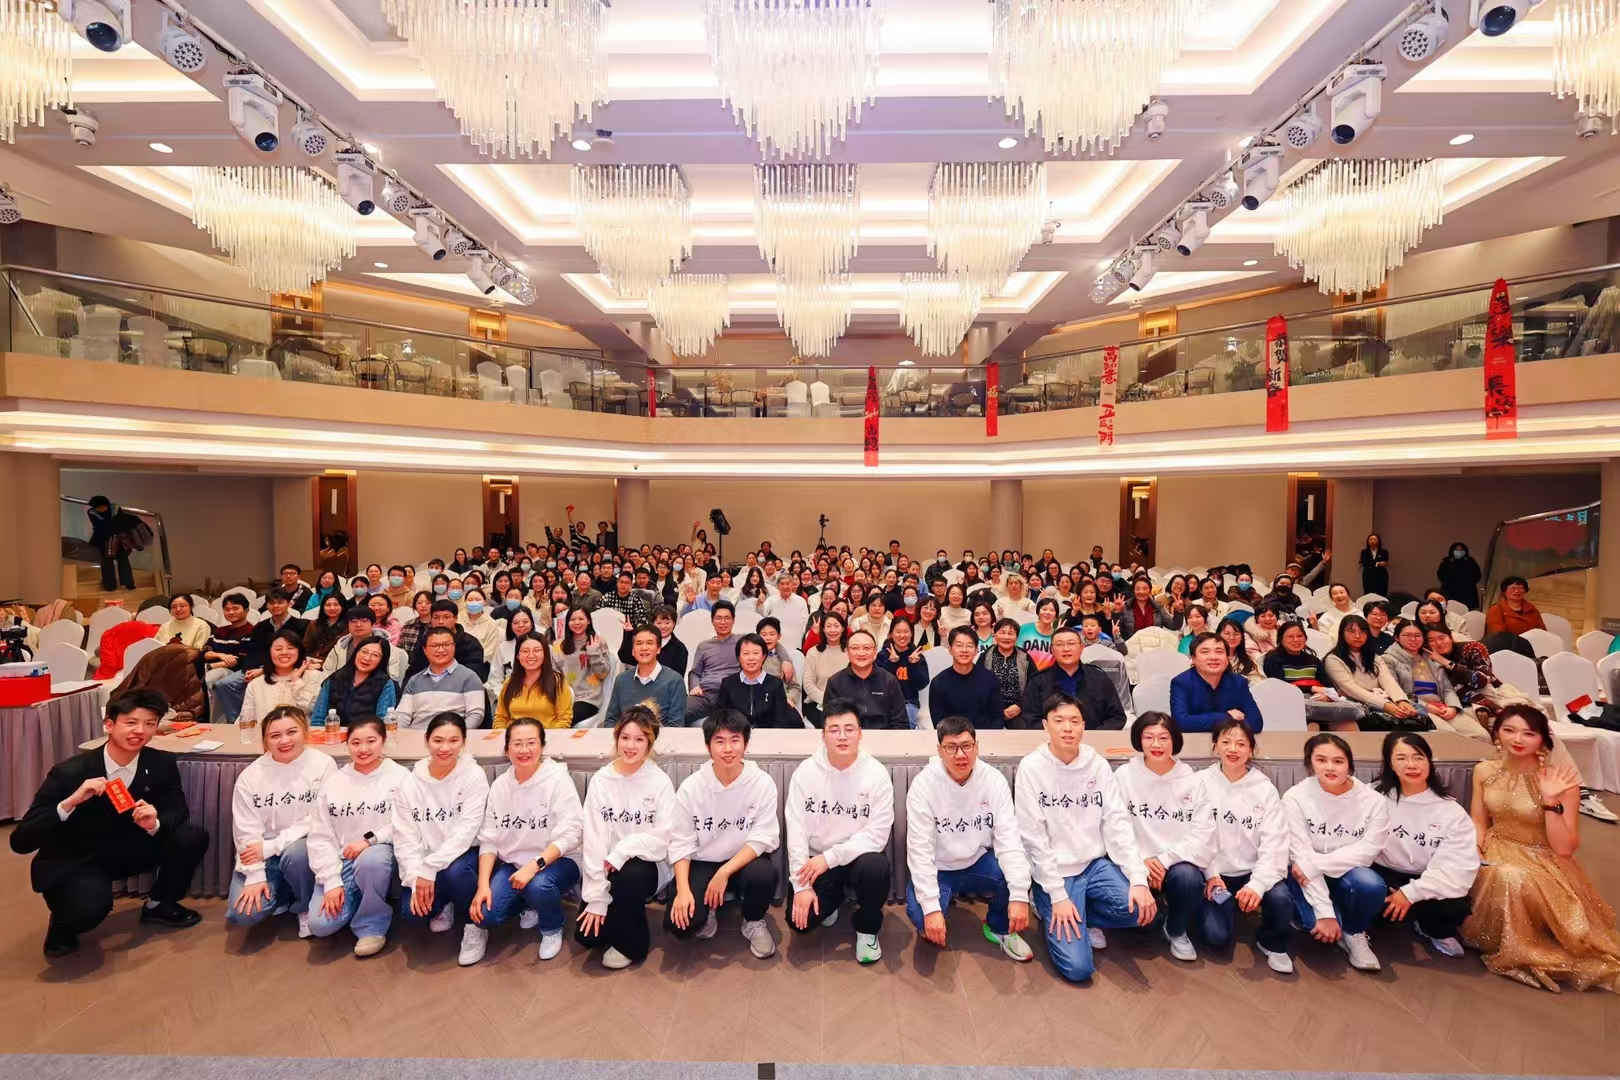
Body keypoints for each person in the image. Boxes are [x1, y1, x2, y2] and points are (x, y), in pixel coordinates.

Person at [10, 689, 208, 957]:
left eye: (150, 723)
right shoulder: (70, 772)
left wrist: (155, 822)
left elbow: (177, 809)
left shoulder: (160, 762)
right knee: (87, 910)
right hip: (82, 856)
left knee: (191, 837)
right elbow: (21, 841)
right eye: (131, 722)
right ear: (109, 725)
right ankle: (63, 923)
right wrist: (68, 803)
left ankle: (159, 904)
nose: (140, 731)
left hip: (132, 846)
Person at [1464, 705, 1620, 991]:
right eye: (1509, 730)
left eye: (1529, 733)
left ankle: (1527, 946)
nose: (1517, 739)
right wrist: (1475, 850)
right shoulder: (1484, 771)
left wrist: (1549, 801)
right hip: (1496, 848)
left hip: (1543, 858)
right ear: (1496, 733)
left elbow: (1564, 848)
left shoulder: (1562, 782)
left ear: (1543, 740)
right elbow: (1479, 821)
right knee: (1504, 874)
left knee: (1515, 878)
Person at [1015, 692, 1157, 982]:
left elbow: (1117, 823)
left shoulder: (1098, 765)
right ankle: (1045, 903)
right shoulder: (1031, 767)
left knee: (1140, 909)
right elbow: (1033, 839)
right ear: (1045, 725)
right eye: (1059, 721)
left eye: (1075, 721)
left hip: (1093, 866)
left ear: (1084, 725)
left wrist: (1138, 879)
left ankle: (1082, 913)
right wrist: (1057, 896)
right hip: (1055, 872)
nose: (1068, 728)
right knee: (1078, 969)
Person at [905, 716, 1034, 961]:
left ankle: (999, 927)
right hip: (939, 868)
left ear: (977, 747)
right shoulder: (923, 786)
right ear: (939, 750)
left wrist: (1019, 895)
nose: (960, 755)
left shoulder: (993, 780)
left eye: (966, 746)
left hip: (978, 862)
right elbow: (919, 851)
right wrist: (931, 909)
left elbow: (1009, 840)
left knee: (1017, 871)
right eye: (951, 747)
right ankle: (933, 916)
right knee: (923, 918)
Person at [461, 718, 584, 965]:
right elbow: (489, 840)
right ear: (506, 749)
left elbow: (572, 833)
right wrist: (483, 886)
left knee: (539, 885)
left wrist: (534, 866)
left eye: (531, 743)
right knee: (485, 915)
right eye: (517, 744)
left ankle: (552, 926)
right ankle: (529, 903)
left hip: (559, 859)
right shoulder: (500, 786)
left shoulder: (557, 779)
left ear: (542, 746)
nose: (524, 750)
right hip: (514, 864)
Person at [666, 710, 782, 958]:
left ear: (746, 744)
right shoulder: (692, 787)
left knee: (764, 874)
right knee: (681, 926)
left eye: (735, 740)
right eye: (719, 741)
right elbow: (680, 842)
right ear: (708, 747)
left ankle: (753, 921)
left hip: (743, 861)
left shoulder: (761, 783)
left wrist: (724, 872)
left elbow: (763, 837)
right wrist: (683, 890)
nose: (728, 749)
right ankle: (707, 908)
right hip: (702, 861)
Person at [785, 702, 894, 964]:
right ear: (823, 735)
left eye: (849, 729)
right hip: (817, 862)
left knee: (876, 868)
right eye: (834, 730)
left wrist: (831, 858)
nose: (842, 736)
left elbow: (877, 835)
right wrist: (801, 886)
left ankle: (867, 928)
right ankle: (832, 901)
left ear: (860, 733)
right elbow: (796, 830)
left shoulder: (876, 773)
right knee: (800, 923)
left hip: (857, 859)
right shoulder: (806, 772)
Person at [1282, 733, 1391, 973]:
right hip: (1304, 874)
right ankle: (1325, 914)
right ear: (1310, 763)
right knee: (1313, 923)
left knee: (1371, 885)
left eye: (1338, 761)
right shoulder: (1295, 797)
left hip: (1347, 871)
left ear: (1350, 765)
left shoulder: (1373, 801)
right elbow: (1301, 856)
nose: (1330, 767)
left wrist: (1318, 864)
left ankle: (1354, 931)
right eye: (1321, 760)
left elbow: (1369, 850)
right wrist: (1325, 913)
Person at [1110, 712, 1214, 962]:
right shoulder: (1124, 776)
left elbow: (1203, 834)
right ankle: (1153, 913)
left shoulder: (1192, 780)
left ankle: (1176, 929)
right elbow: (1116, 827)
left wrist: (1164, 861)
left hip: (1176, 862)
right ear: (1139, 739)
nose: (1156, 744)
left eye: (1163, 738)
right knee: (1139, 923)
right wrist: (1142, 861)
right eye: (1149, 737)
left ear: (1174, 740)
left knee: (1188, 879)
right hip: (1136, 860)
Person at [577, 706, 676, 970]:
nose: (630, 746)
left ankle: (634, 945)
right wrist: (597, 897)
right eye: (625, 738)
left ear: (649, 744)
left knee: (628, 876)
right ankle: (615, 910)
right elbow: (594, 840)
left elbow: (663, 837)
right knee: (587, 938)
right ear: (616, 737)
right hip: (606, 865)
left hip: (648, 863)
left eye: (639, 739)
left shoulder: (659, 781)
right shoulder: (601, 780)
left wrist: (623, 851)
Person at [303, 716, 409, 957]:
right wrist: (332, 881)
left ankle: (371, 924)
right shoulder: (335, 781)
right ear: (347, 744)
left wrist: (369, 839)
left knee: (372, 860)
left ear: (383, 741)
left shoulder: (400, 776)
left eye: (371, 741)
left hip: (382, 855)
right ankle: (358, 896)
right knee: (320, 925)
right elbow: (320, 835)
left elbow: (407, 824)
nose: (363, 749)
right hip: (343, 861)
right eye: (356, 742)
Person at [1195, 717, 1294, 972]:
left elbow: (1275, 843)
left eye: (1241, 744)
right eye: (1226, 742)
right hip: (1214, 875)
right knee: (1216, 937)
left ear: (1251, 749)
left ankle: (1272, 942)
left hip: (1253, 871)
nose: (1233, 749)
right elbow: (1194, 836)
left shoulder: (1264, 789)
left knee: (1281, 898)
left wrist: (1257, 884)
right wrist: (1210, 874)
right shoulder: (1200, 783)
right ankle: (1222, 906)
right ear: (1214, 746)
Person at [225, 705, 335, 933]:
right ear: (265, 740)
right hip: (261, 850)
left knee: (298, 853)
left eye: (291, 732)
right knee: (244, 913)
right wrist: (255, 874)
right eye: (275, 735)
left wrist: (274, 845)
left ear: (305, 732)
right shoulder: (250, 775)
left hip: (301, 847)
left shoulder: (323, 764)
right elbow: (245, 829)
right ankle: (282, 893)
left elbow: (320, 819)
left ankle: (304, 905)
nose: (284, 740)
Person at [1372, 732, 1480, 958]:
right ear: (1389, 763)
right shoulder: (1372, 797)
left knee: (1452, 907)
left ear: (1429, 762)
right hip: (1384, 874)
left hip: (1428, 877)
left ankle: (1430, 928)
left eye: (1418, 757)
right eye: (1401, 758)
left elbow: (1456, 868)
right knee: (1366, 893)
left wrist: (1411, 893)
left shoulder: (1451, 811)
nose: (1411, 765)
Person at [393, 713, 489, 939]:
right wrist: (416, 878)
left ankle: (473, 927)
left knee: (456, 872)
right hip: (426, 860)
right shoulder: (409, 783)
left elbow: (466, 832)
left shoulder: (473, 775)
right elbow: (404, 837)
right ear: (426, 740)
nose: (445, 748)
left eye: (454, 740)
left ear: (464, 742)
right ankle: (445, 902)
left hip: (463, 854)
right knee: (413, 913)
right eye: (438, 740)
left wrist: (430, 868)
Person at [1379, 619, 1487, 736]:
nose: (1413, 639)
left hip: (1443, 706)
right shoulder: (1388, 659)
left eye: (1417, 635)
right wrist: (1427, 706)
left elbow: (1447, 688)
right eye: (1407, 635)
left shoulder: (1431, 656)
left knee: (1481, 736)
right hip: (1418, 708)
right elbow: (1395, 692)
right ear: (1397, 638)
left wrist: (1453, 707)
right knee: (1449, 736)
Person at [1020, 626, 1127, 730]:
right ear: (1052, 650)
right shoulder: (1038, 680)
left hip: (1093, 738)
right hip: (1052, 739)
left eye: (1071, 644)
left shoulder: (1099, 677)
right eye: (1059, 644)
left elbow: (1117, 717)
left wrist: (1093, 735)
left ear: (1081, 648)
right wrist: (1056, 734)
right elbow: (1031, 717)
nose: (1066, 649)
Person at [1264, 622, 1362, 730]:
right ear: (1281, 639)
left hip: (1319, 706)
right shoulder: (1273, 659)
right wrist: (1312, 688)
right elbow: (1281, 688)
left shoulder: (1313, 660)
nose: (1296, 640)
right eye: (1290, 636)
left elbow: (1329, 686)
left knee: (1349, 725)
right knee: (1313, 726)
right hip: (1291, 708)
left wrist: (1326, 696)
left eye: (1300, 636)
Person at [397, 626, 486, 729]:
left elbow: (476, 714)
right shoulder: (415, 680)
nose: (441, 650)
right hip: (417, 734)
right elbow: (403, 715)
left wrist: (458, 734)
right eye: (434, 646)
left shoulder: (469, 677)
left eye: (446, 645)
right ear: (425, 650)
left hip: (452, 735)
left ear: (454, 647)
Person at [1171, 633, 1262, 732]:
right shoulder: (1181, 683)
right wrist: (1226, 716)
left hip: (1229, 739)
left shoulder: (1238, 682)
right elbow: (1180, 722)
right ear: (1193, 659)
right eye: (1205, 652)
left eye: (1219, 652)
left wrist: (1203, 722)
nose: (1213, 657)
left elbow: (1256, 722)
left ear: (1227, 658)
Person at [604, 625, 688, 729]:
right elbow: (610, 720)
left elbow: (676, 726)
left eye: (650, 643)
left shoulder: (674, 680)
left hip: (661, 738)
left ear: (658, 649)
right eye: (639, 643)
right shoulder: (621, 680)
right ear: (633, 651)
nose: (644, 648)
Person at [824, 629, 909, 730]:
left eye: (866, 648)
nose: (861, 653)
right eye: (855, 648)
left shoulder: (889, 681)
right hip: (848, 736)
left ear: (875, 653)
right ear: (847, 652)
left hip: (883, 736)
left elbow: (900, 722)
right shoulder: (835, 682)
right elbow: (830, 722)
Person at [240, 630, 322, 732]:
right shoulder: (256, 684)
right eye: (278, 649)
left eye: (290, 648)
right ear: (269, 652)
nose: (284, 652)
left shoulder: (315, 677)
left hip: (306, 737)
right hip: (267, 738)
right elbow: (246, 720)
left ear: (299, 651)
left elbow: (315, 711)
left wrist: (296, 682)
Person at [714, 633, 800, 729]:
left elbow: (780, 719)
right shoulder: (728, 683)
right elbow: (720, 717)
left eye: (756, 653)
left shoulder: (775, 684)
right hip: (737, 734)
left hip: (768, 734)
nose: (751, 658)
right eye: (746, 653)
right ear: (739, 658)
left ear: (763, 656)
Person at [311, 637, 398, 729]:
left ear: (382, 660)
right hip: (333, 734)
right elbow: (318, 719)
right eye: (364, 652)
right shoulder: (334, 679)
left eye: (375, 655)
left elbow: (382, 723)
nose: (367, 658)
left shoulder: (385, 684)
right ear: (356, 652)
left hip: (367, 735)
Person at [928, 626, 1003, 730]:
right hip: (952, 737)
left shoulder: (990, 679)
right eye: (959, 645)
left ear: (976, 650)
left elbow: (997, 716)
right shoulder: (938, 682)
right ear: (950, 650)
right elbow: (939, 722)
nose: (964, 650)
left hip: (985, 736)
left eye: (969, 646)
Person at [495, 632, 573, 729]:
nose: (531, 655)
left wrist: (546, 736)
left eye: (536, 650)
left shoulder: (557, 681)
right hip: (514, 736)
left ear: (545, 654)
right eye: (525, 651)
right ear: (518, 656)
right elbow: (500, 718)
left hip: (548, 735)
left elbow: (564, 719)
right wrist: (504, 734)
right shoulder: (509, 683)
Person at [554, 605, 610, 727]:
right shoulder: (559, 645)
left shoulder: (598, 641)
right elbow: (554, 673)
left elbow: (603, 674)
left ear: (588, 621)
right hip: (563, 697)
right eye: (573, 619)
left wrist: (593, 652)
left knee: (566, 719)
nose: (577, 623)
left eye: (581, 619)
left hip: (588, 698)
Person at [686, 600, 741, 724]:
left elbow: (766, 645)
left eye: (727, 618)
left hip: (732, 695)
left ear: (733, 620)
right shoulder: (704, 646)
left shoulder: (742, 641)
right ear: (712, 621)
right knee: (678, 712)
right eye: (718, 618)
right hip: (706, 695)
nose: (723, 622)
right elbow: (695, 673)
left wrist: (784, 659)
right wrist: (694, 686)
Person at [875, 617, 929, 728]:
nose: (902, 635)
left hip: (908, 703)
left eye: (906, 631)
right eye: (898, 632)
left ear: (911, 634)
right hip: (884, 702)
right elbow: (878, 683)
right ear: (891, 634)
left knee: (906, 725)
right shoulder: (883, 655)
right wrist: (891, 664)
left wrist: (913, 665)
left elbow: (921, 684)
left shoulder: (917, 656)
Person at [980, 617, 1032, 727]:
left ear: (1017, 637)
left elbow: (1034, 684)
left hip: (1017, 710)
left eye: (1011, 633)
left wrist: (1020, 706)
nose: (1006, 637)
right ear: (995, 634)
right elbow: (977, 683)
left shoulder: (1024, 657)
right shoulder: (986, 655)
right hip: (989, 709)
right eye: (1002, 632)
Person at [801, 611, 849, 728]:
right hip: (817, 702)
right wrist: (828, 700)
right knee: (829, 725)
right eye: (828, 626)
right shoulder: (813, 653)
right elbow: (808, 684)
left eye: (836, 626)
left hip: (846, 703)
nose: (832, 630)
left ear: (843, 628)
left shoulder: (850, 652)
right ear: (823, 629)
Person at [616, 604, 687, 674]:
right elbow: (624, 657)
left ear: (674, 623)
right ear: (653, 624)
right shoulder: (644, 641)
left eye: (667, 623)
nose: (663, 626)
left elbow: (678, 676)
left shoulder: (680, 648)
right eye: (659, 623)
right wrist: (629, 634)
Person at [302, 594, 348, 664]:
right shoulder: (314, 623)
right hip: (310, 661)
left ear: (343, 606)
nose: (332, 608)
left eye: (336, 605)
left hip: (333, 664)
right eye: (328, 605)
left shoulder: (348, 626)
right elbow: (306, 646)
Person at [1436, 542, 1482, 610]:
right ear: (1452, 551)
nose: (1460, 552)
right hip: (1450, 592)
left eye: (1461, 550)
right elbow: (1440, 575)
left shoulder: (1470, 561)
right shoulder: (1447, 562)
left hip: (1467, 593)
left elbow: (1477, 575)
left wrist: (1468, 583)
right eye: (1457, 550)